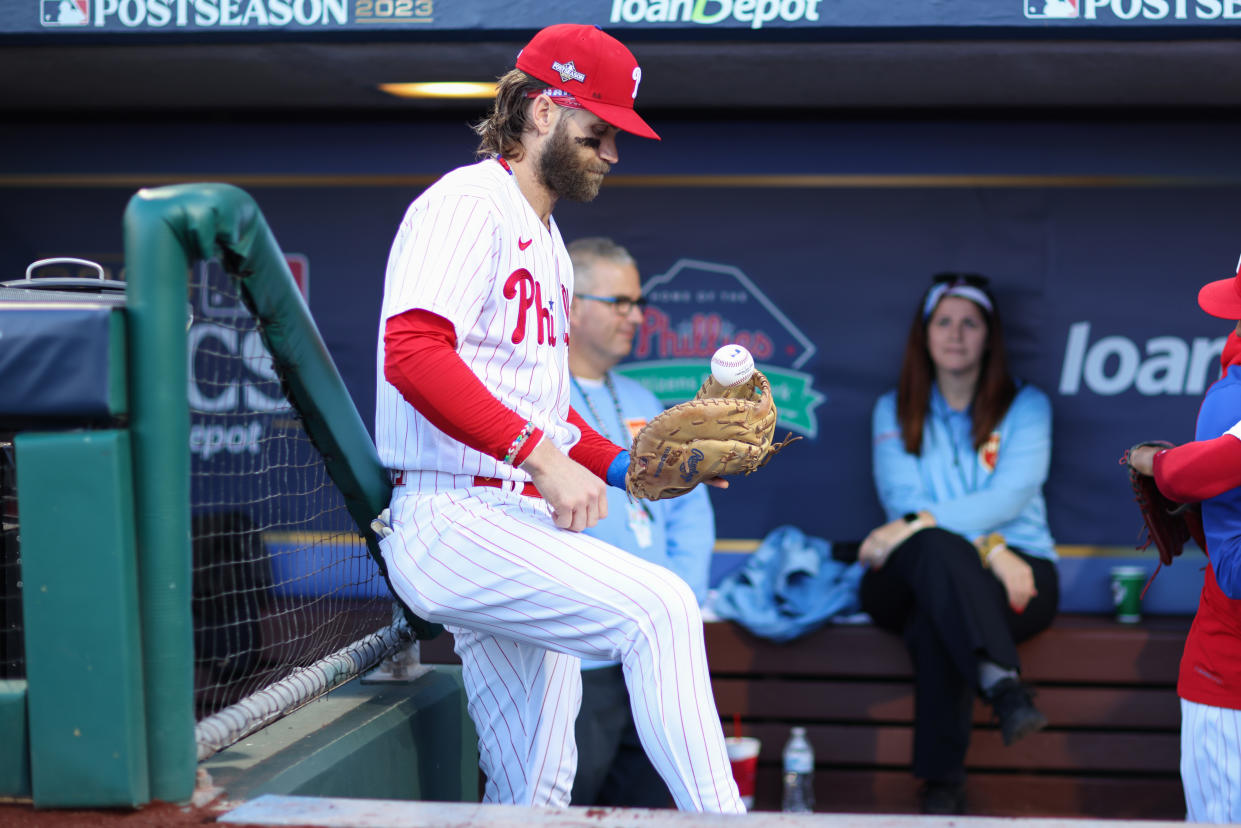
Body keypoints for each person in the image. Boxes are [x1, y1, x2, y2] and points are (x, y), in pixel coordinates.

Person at [371, 24, 743, 812]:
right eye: (599, 131)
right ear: (542, 112)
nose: (612, 151)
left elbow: (541, 413)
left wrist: (627, 467)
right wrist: (541, 455)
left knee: (536, 785)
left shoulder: (543, 234)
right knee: (661, 607)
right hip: (452, 511)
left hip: (506, 516)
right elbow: (410, 351)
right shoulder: (466, 203)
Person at [859, 273, 1060, 815]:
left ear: (990, 336)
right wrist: (991, 550)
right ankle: (1002, 684)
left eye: (970, 323)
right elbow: (904, 501)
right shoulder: (893, 409)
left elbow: (1010, 496)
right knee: (934, 551)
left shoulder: (1027, 406)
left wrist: (949, 529)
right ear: (923, 334)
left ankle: (942, 789)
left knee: (937, 616)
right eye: (943, 321)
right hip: (922, 569)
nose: (955, 334)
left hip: (1023, 572)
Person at [565, 236, 716, 808]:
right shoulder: (536, 395)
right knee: (570, 809)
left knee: (655, 808)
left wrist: (680, 604)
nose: (636, 315)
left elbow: (691, 512)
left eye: (638, 302)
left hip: (656, 655)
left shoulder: (643, 396)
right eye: (619, 302)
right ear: (570, 305)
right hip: (580, 655)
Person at [1127, 263, 1241, 825]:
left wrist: (1168, 466)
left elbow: (1183, 474)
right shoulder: (1232, 400)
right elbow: (1235, 569)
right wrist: (1169, 468)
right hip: (1232, 687)